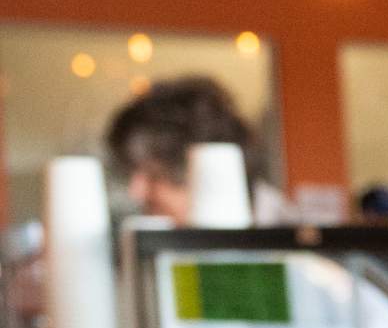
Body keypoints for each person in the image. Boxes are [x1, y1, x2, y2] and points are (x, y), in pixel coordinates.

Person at [103, 74, 289, 223]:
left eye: (154, 175)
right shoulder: (151, 253)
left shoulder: (299, 251)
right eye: (130, 173)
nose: (135, 192)